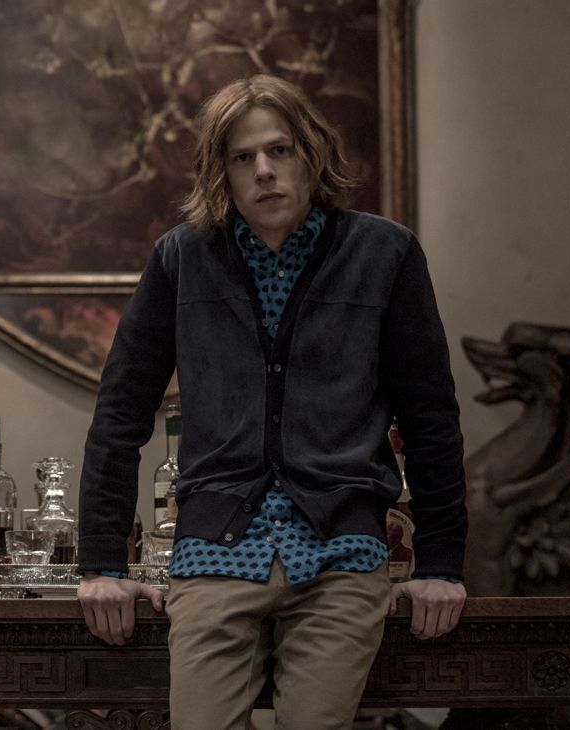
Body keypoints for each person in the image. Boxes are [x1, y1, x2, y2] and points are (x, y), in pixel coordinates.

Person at [76, 74, 468, 730]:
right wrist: (100, 563)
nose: (263, 170)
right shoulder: (181, 257)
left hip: (341, 555)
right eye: (242, 157)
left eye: (279, 150)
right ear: (222, 174)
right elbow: (121, 411)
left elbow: (431, 418)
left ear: (311, 154)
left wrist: (443, 564)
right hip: (214, 553)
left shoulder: (386, 253)